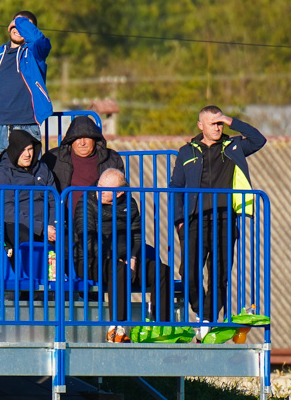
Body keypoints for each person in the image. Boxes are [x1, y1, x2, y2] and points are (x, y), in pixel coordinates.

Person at [170, 106, 265, 337]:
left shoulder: (233, 146)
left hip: (224, 217)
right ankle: (201, 312)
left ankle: (208, 320)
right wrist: (179, 220)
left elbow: (258, 139)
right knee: (189, 271)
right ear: (200, 125)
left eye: (220, 123)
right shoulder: (186, 152)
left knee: (220, 273)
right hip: (194, 220)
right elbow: (175, 187)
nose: (218, 127)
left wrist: (231, 120)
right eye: (212, 123)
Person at [73, 169, 172, 343]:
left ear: (119, 193)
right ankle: (117, 327)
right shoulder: (86, 203)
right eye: (99, 186)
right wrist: (115, 257)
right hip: (90, 260)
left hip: (126, 259)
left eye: (105, 189)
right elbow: (87, 240)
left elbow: (137, 236)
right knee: (118, 269)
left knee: (161, 271)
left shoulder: (130, 204)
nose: (99, 191)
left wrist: (133, 257)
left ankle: (161, 326)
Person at [0, 11, 52, 168]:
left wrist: (20, 22)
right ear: (9, 27)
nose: (19, 28)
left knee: (29, 177)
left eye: (24, 24)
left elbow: (38, 40)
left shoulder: (36, 53)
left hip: (27, 126)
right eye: (15, 23)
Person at [40, 115, 125, 208]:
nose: (82, 142)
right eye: (77, 138)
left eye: (87, 137)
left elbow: (123, 193)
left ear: (95, 139)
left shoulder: (112, 158)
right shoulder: (52, 158)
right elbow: (40, 192)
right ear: (70, 140)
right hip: (62, 219)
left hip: (100, 219)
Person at [0, 130, 56, 250]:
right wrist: (40, 228)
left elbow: (54, 201)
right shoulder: (2, 173)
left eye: (30, 149)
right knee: (28, 246)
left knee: (74, 241)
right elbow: (8, 210)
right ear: (14, 150)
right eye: (22, 150)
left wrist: (53, 226)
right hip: (18, 225)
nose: (27, 154)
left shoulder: (42, 168)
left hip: (47, 227)